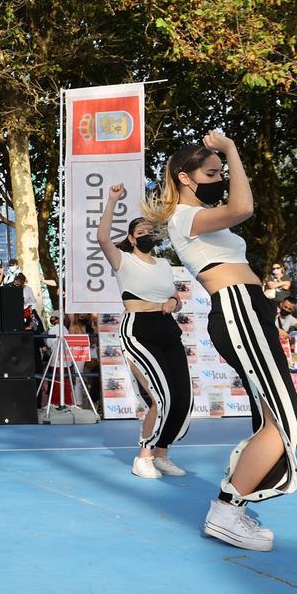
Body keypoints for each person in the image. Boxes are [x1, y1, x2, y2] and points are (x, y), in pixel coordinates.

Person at [144, 131, 297, 553]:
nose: (220, 177)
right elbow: (244, 207)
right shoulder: (184, 218)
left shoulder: (200, 214)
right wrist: (232, 147)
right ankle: (226, 511)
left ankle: (233, 507)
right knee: (284, 422)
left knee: (273, 420)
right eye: (213, 172)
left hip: (251, 309)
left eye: (222, 171)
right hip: (237, 309)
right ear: (185, 177)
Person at [98, 185, 192, 479]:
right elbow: (102, 238)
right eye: (141, 229)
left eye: (151, 229)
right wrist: (113, 199)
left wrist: (173, 302)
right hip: (139, 329)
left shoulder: (164, 264)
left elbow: (175, 299)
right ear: (131, 237)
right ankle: (144, 456)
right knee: (160, 396)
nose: (148, 232)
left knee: (183, 397)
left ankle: (162, 454)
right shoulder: (123, 260)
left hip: (168, 330)